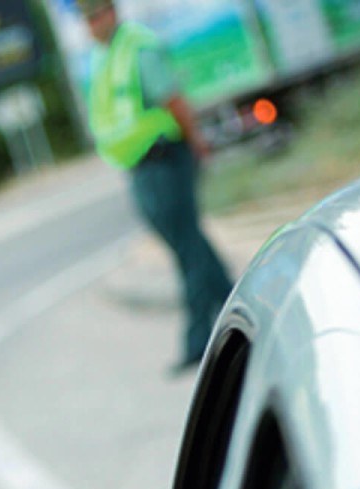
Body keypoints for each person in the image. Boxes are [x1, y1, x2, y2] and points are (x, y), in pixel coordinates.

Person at [78, 0, 235, 372]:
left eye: (97, 14)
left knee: (187, 247)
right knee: (187, 242)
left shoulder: (136, 46)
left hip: (164, 158)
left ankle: (200, 340)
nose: (92, 23)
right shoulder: (103, 56)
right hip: (139, 165)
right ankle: (236, 304)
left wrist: (196, 140)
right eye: (86, 18)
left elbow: (173, 99)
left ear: (112, 12)